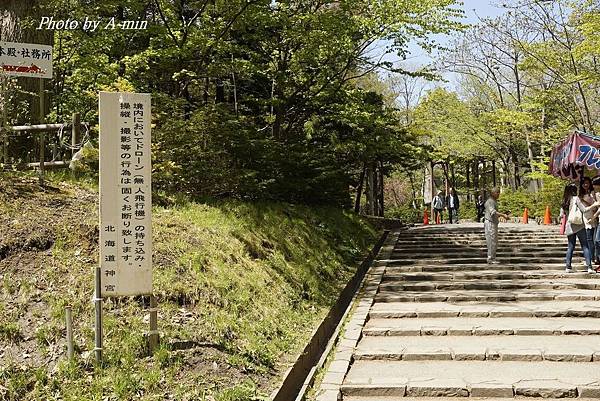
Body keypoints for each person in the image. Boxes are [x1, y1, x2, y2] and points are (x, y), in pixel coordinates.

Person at [561, 183, 599, 273]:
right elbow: (584, 210)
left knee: (570, 246)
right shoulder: (576, 198)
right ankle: (589, 267)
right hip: (579, 225)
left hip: (569, 226)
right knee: (585, 246)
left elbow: (562, 215)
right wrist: (594, 205)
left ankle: (568, 267)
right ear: (574, 190)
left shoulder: (564, 200)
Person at [484, 187, 509, 264]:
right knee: (491, 241)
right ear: (493, 193)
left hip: (493, 222)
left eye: (499, 192)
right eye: (497, 192)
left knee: (494, 241)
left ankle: (492, 257)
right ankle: (490, 258)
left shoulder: (493, 201)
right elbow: (493, 212)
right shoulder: (490, 201)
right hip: (490, 223)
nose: (498, 194)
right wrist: (503, 215)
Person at [579, 177, 598, 264]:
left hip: (595, 216)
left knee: (594, 239)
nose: (586, 185)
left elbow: (597, 204)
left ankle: (593, 257)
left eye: (587, 183)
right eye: (584, 183)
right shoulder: (580, 195)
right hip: (586, 217)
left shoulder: (593, 193)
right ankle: (591, 258)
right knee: (589, 239)